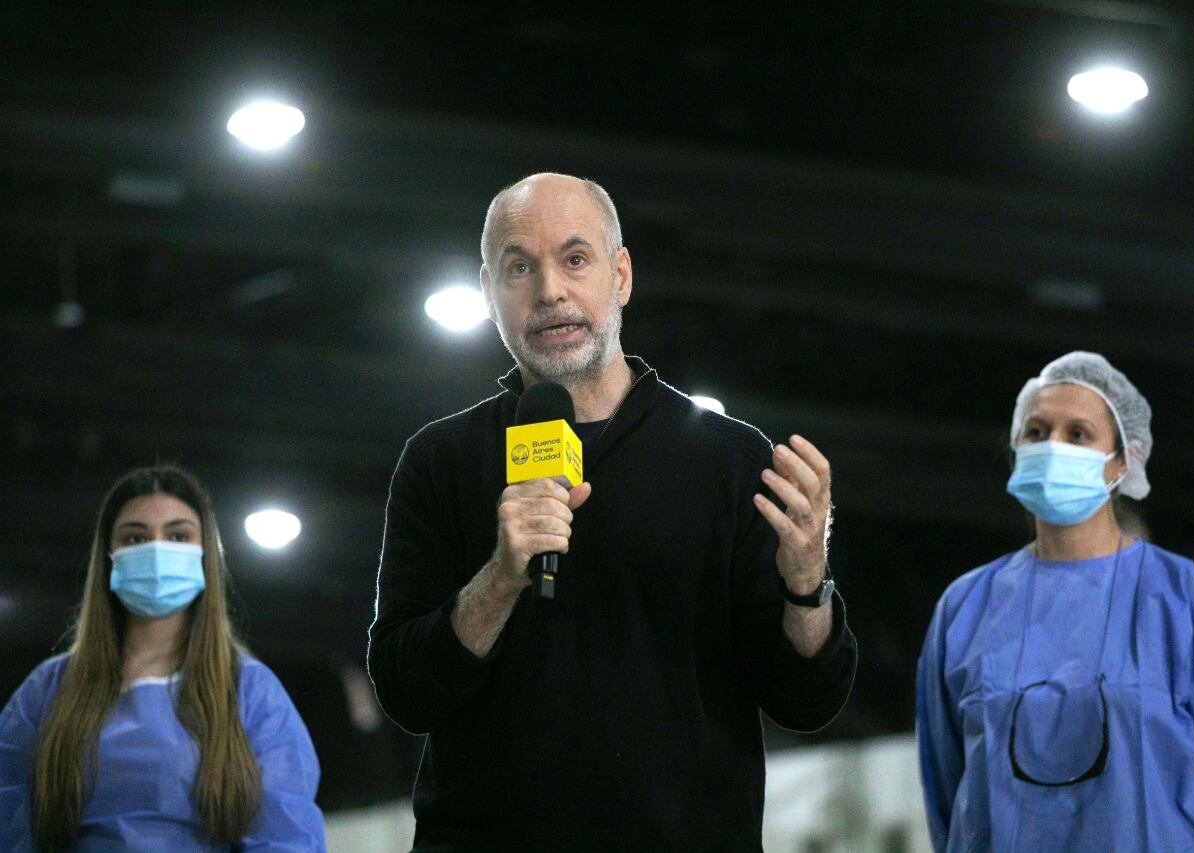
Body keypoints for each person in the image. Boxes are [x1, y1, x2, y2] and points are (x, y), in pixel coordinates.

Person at [367, 173, 856, 851]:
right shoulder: (441, 460)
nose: (549, 292)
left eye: (575, 259)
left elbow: (807, 700)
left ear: (620, 275)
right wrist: (501, 577)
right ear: (488, 292)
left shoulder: (730, 460)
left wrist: (806, 583)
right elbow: (405, 692)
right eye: (519, 267)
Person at [916, 351, 1194, 851]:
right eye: (1037, 432)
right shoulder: (965, 609)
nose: (1052, 446)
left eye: (1078, 434)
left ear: (1122, 461)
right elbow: (948, 794)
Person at [0, 465, 326, 851]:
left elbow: (286, 838)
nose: (156, 550)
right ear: (109, 557)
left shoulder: (251, 692)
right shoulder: (48, 692)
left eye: (177, 535)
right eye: (135, 538)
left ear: (205, 552)